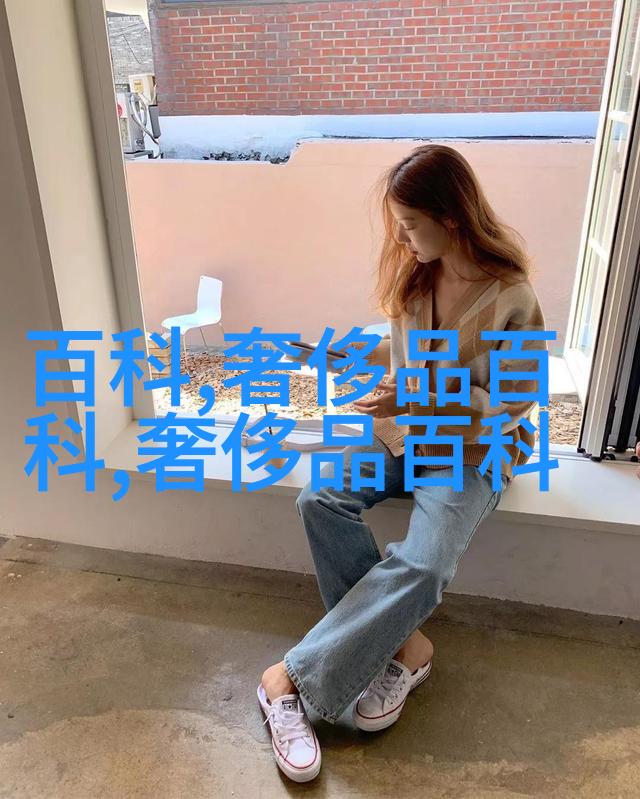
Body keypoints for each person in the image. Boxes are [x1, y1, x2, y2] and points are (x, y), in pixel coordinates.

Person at [256, 144, 548, 783]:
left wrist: (416, 393)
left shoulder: (512, 297)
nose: (403, 238)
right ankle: (407, 647)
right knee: (319, 499)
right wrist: (369, 377)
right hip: (405, 432)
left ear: (451, 217)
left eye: (412, 225)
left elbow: (513, 403)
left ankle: (290, 679)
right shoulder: (417, 277)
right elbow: (405, 366)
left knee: (427, 564)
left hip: (472, 449)